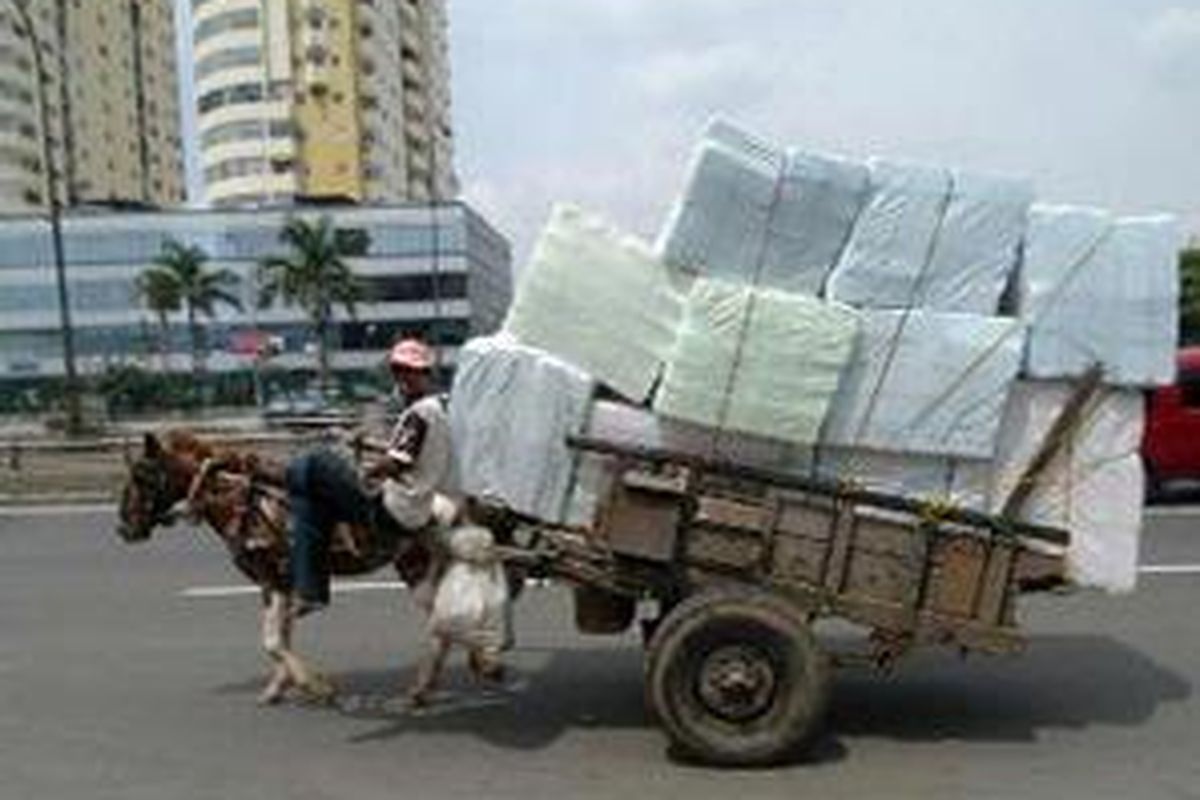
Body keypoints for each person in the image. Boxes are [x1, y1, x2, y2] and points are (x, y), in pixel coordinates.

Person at [287, 337, 453, 617]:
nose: (404, 378)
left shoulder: (420, 413)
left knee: (312, 462)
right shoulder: (438, 408)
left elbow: (396, 464)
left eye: (412, 371)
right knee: (310, 503)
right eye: (399, 371)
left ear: (427, 374)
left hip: (394, 509)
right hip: (415, 506)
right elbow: (412, 454)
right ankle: (310, 591)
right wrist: (369, 447)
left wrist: (363, 471)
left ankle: (310, 587)